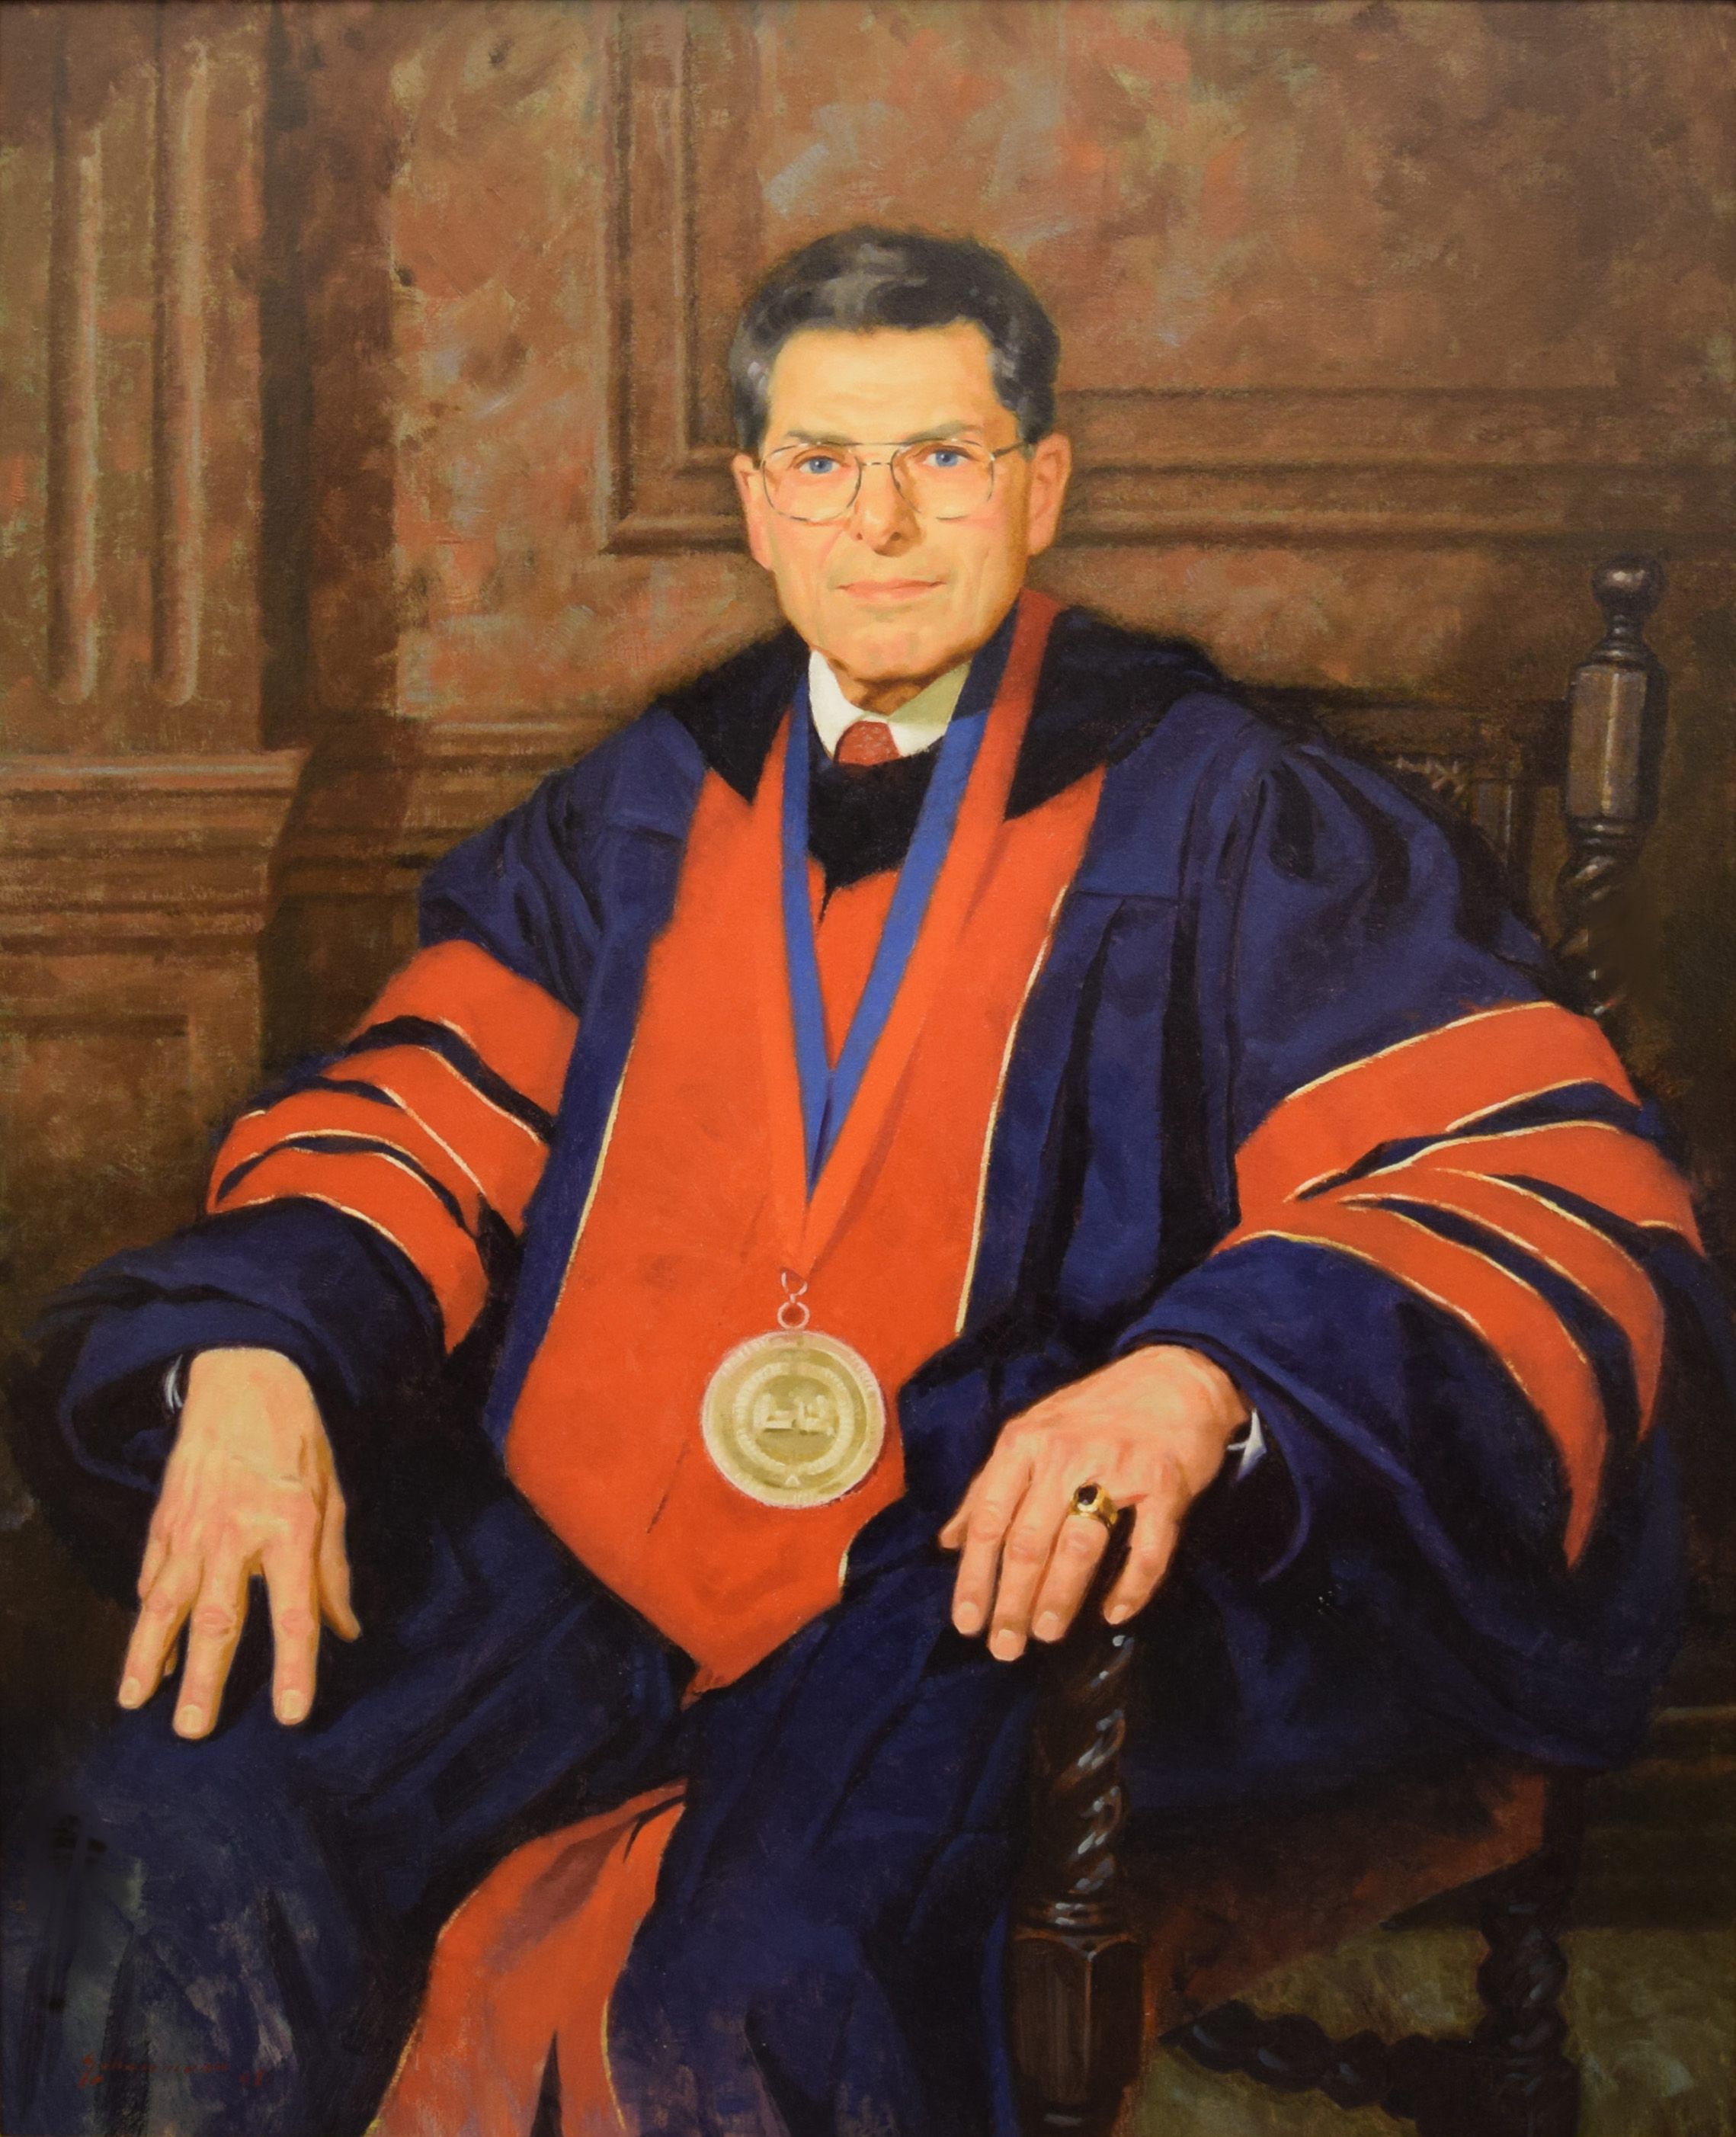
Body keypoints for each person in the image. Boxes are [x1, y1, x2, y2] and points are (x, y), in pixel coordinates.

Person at [2, 227, 1723, 2137]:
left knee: (765, 1971)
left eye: (941, 457)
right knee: (164, 1829)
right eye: (822, 462)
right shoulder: (638, 809)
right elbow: (418, 1107)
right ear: (755, 503)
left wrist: (1203, 1377)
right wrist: (256, 1347)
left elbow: (1519, 1170)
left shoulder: (1230, 811)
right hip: (593, 1549)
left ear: (1039, 486)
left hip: (982, 1582)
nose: (879, 523)